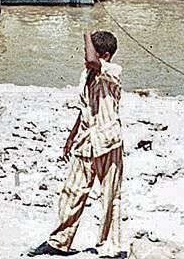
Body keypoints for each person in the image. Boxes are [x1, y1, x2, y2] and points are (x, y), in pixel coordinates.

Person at [29, 32, 125, 258]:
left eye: (89, 52)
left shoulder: (113, 71)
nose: (85, 57)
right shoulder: (86, 75)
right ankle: (59, 242)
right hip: (85, 141)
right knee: (72, 192)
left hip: (108, 142)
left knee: (111, 195)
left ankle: (112, 246)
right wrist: (71, 137)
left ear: (105, 56)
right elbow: (84, 110)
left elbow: (93, 60)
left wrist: (86, 32)